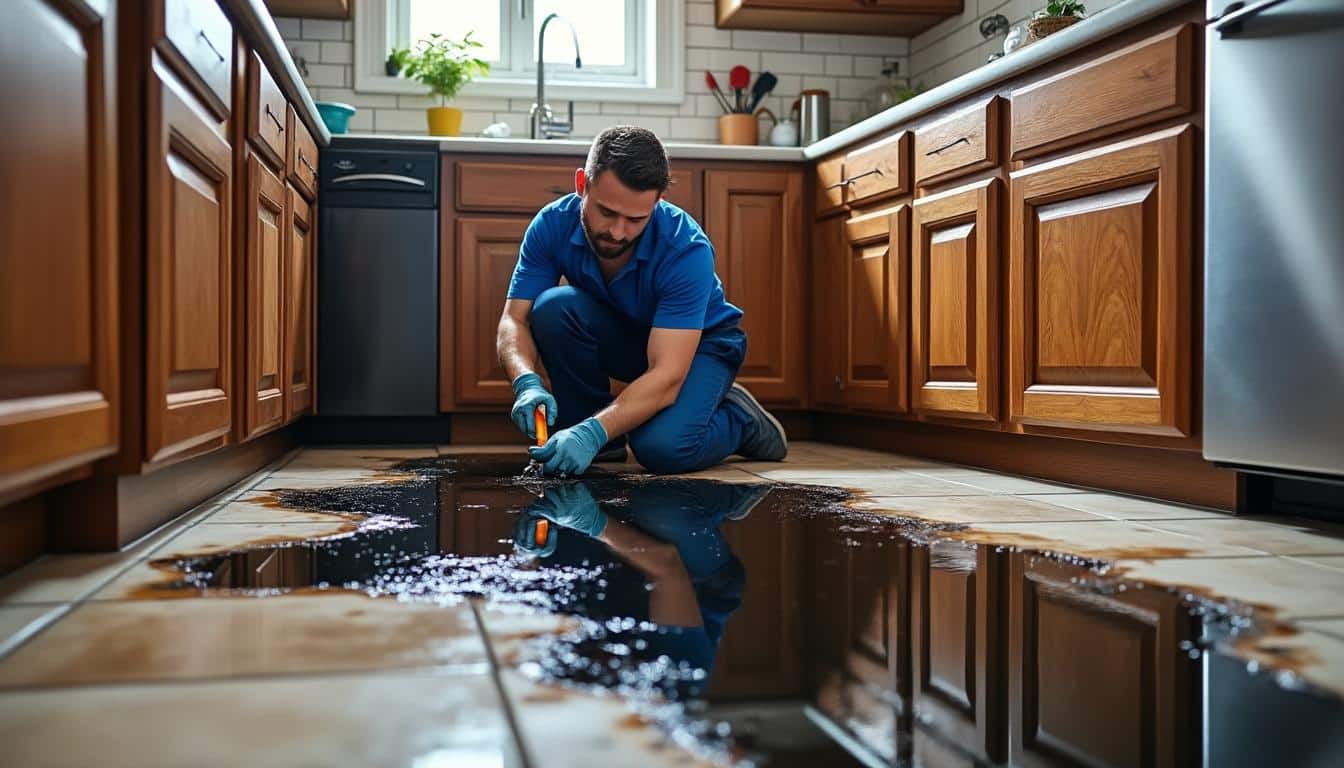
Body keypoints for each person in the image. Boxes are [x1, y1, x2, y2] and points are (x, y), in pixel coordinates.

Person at [496, 125, 787, 476]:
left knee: (662, 448)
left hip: (698, 349)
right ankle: (602, 441)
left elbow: (666, 372)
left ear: (657, 203)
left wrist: (592, 432)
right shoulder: (552, 225)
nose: (618, 232)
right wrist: (526, 381)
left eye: (636, 219)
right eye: (607, 213)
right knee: (552, 308)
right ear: (581, 185)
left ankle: (740, 419)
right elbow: (515, 320)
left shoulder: (685, 248)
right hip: (629, 336)